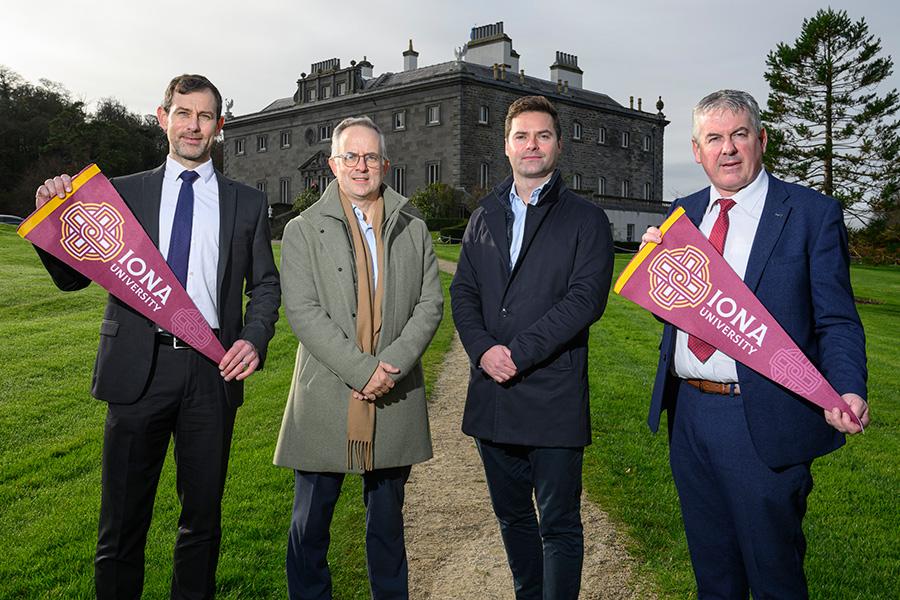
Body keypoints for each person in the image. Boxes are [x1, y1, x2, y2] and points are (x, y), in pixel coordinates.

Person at [33, 74, 281, 599]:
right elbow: (73, 277)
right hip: (136, 372)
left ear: (219, 126)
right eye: (184, 113)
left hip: (210, 372)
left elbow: (264, 286)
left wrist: (255, 338)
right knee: (121, 525)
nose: (194, 126)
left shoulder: (247, 202)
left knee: (201, 525)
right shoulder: (120, 193)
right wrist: (52, 214)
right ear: (162, 117)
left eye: (206, 116)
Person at [641, 89, 869, 599]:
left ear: (761, 140)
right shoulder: (683, 213)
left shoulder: (810, 213)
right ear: (697, 150)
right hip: (689, 417)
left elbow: (836, 320)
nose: (727, 149)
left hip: (763, 418)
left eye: (739, 134)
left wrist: (847, 386)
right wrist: (650, 274)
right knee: (713, 577)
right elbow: (678, 309)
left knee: (774, 578)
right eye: (714, 139)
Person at [450, 95, 614, 600]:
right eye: (521, 136)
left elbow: (584, 301)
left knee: (559, 524)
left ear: (559, 145)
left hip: (553, 392)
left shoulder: (587, 219)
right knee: (512, 516)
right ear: (506, 145)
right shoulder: (484, 214)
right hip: (493, 394)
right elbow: (464, 291)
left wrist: (516, 353)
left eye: (543, 136)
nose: (532, 145)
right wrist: (481, 349)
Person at [274, 116, 443, 600]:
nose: (361, 166)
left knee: (388, 528)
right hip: (328, 392)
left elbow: (430, 303)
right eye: (351, 156)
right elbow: (303, 312)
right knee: (310, 528)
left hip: (394, 393)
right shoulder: (302, 230)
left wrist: (389, 365)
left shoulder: (413, 226)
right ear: (333, 164)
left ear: (385, 164)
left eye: (371, 157)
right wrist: (362, 369)